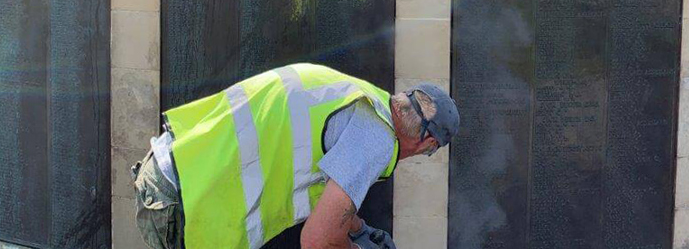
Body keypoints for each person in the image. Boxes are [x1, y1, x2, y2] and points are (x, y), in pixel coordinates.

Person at [131, 63, 460, 249]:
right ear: (426, 142)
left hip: (173, 173)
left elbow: (329, 200)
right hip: (185, 200)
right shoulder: (378, 140)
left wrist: (358, 229)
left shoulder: (364, 101)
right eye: (428, 152)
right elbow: (317, 240)